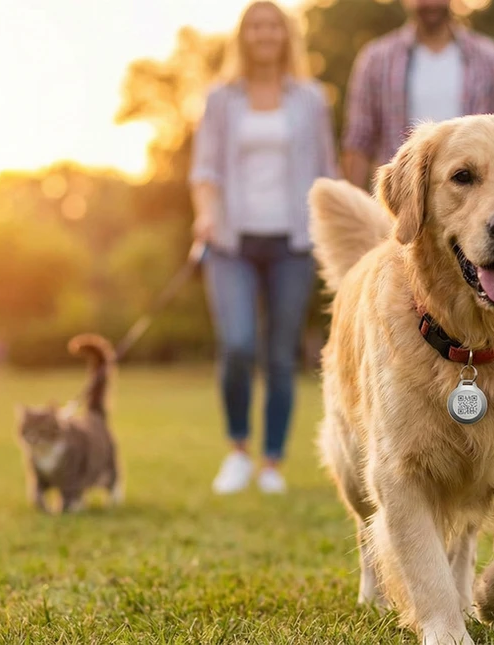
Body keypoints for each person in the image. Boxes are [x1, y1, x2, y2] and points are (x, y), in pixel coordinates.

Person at [189, 0, 338, 495]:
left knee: (279, 356)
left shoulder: (311, 99)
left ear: (285, 35)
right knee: (237, 345)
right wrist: (206, 213)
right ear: (243, 36)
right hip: (231, 240)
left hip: (293, 242)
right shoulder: (221, 98)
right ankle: (237, 449)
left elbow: (326, 168)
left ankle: (272, 461)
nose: (265, 34)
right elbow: (205, 169)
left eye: (274, 25)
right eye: (256, 26)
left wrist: (333, 229)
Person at [341, 0, 494, 188]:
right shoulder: (376, 59)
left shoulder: (490, 58)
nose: (430, 3)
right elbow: (359, 139)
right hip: (398, 198)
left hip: (474, 198)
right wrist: (353, 205)